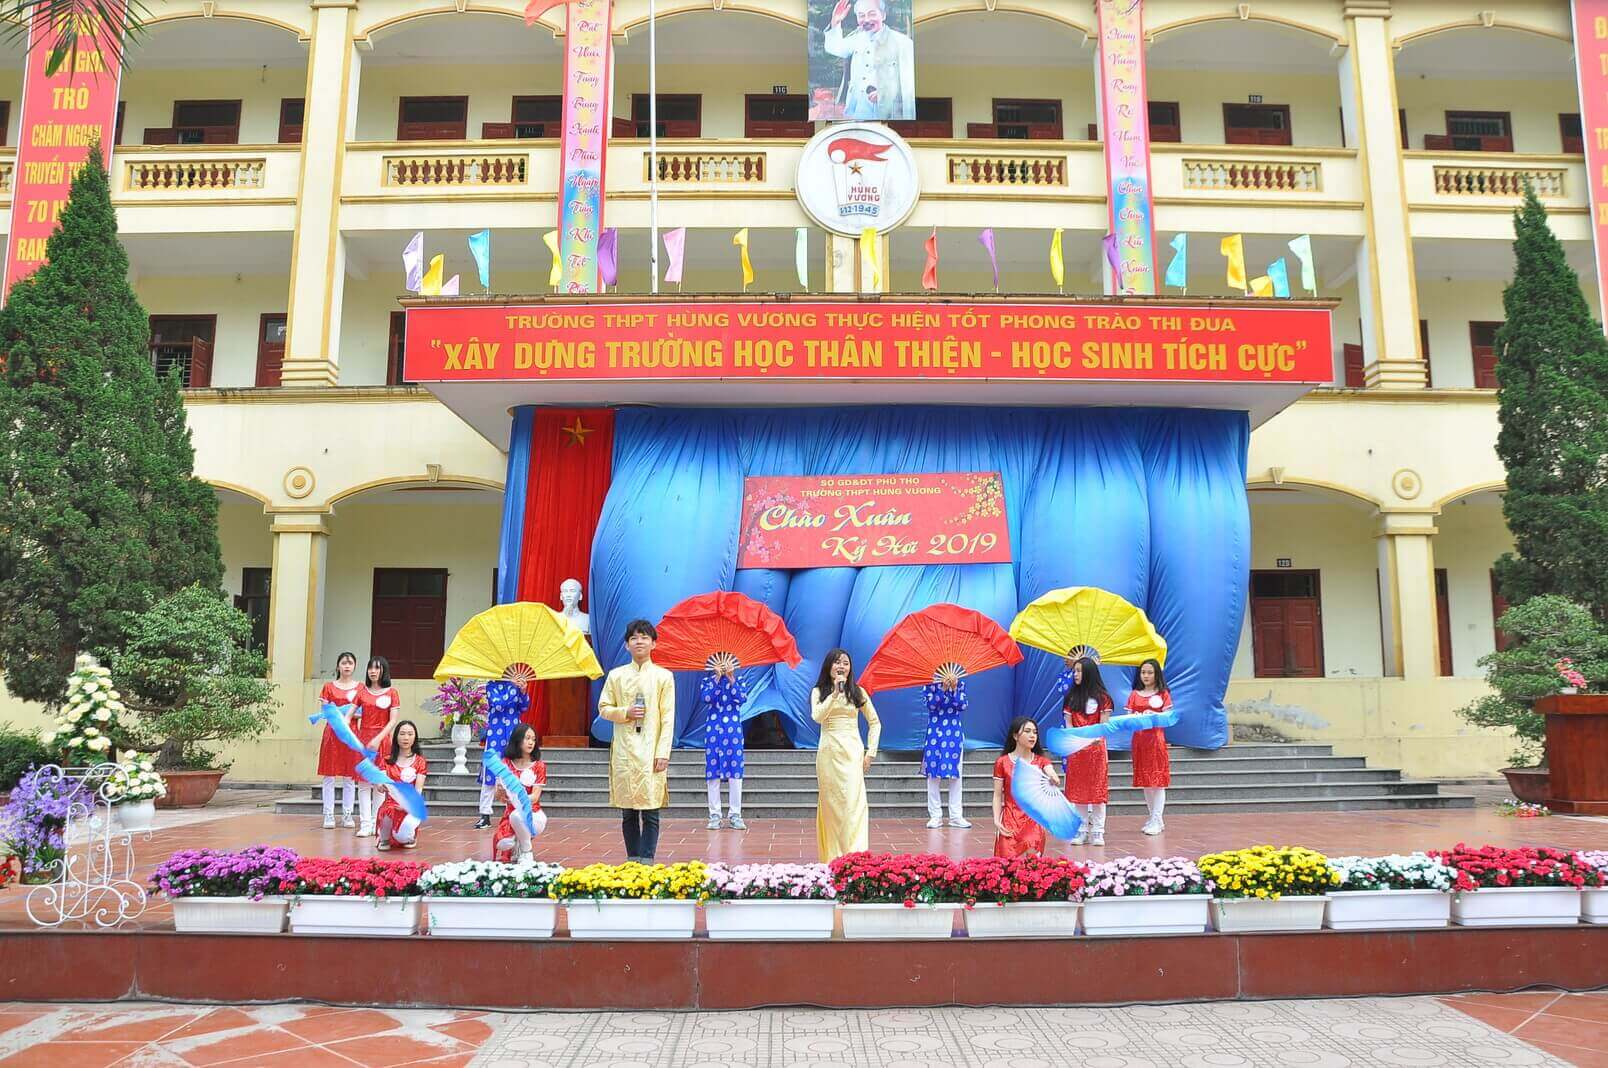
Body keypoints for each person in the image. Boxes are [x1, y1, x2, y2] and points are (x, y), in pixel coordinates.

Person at [598, 619, 675, 863]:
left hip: (651, 750)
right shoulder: (616, 676)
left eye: (644, 637)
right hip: (624, 750)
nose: (639, 642)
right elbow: (603, 708)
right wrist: (625, 712)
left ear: (654, 643)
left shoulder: (663, 677)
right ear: (626, 645)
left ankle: (647, 858)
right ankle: (632, 858)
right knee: (628, 810)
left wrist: (663, 752)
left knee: (651, 809)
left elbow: (668, 718)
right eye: (634, 638)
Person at [812, 648, 881, 863]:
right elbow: (817, 717)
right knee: (831, 804)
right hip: (829, 753)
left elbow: (875, 722)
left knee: (854, 804)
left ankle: (855, 856)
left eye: (845, 663)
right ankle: (832, 857)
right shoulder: (818, 692)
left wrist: (871, 753)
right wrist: (834, 694)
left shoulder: (858, 692)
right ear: (829, 666)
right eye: (837, 662)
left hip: (852, 753)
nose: (841, 666)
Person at [823, 0, 915, 122]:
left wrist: (884, 94)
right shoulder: (857, 38)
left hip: (889, 114)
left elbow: (908, 87)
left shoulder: (902, 43)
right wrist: (835, 21)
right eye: (861, 15)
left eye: (872, 14)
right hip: (859, 111)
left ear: (883, 15)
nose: (866, 20)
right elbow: (834, 48)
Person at [1060, 655, 1112, 847]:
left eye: (1079, 671)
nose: (1075, 674)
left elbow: (1103, 726)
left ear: (1089, 673)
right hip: (1077, 751)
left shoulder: (1104, 698)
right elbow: (1069, 725)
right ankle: (1081, 830)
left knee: (1097, 792)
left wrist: (1093, 738)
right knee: (1078, 793)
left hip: (1096, 751)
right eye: (1075, 671)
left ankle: (1098, 831)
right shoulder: (1071, 698)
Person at [992, 716, 1059, 858]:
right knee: (1005, 864)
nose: (1032, 736)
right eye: (1027, 731)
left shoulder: (1041, 761)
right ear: (1015, 736)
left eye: (1035, 732)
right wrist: (997, 820)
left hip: (1033, 820)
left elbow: (1050, 772)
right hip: (1010, 819)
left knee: (1032, 865)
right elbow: (997, 795)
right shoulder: (1002, 762)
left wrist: (1053, 777)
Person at [353, 656, 401, 838]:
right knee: (363, 783)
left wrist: (379, 739)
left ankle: (376, 822)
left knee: (379, 784)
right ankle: (365, 824)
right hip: (364, 740)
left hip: (383, 741)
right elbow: (349, 715)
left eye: (377, 668)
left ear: (383, 671)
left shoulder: (392, 693)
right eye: (370, 668)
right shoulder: (361, 692)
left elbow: (393, 720)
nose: (373, 671)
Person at [315, 652, 361, 830]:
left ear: (355, 666)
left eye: (350, 663)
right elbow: (325, 712)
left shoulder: (360, 688)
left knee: (349, 776)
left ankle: (347, 814)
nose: (347, 666)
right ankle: (328, 814)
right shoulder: (328, 687)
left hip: (351, 734)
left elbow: (361, 713)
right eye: (344, 663)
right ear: (338, 666)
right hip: (332, 734)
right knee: (329, 775)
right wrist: (342, 712)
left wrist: (340, 711)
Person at [1128, 657, 1174, 836]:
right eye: (1143, 672)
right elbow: (1128, 720)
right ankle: (1154, 817)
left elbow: (1169, 718)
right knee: (1146, 782)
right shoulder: (1134, 695)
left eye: (1150, 672)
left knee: (1158, 782)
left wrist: (1153, 717)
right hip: (1139, 742)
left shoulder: (1163, 694)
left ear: (1156, 674)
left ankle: (1156, 818)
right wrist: (1136, 719)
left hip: (1155, 741)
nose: (1146, 676)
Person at [701, 657, 747, 831]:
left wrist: (731, 677)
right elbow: (706, 698)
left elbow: (742, 698)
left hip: (733, 731)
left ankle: (735, 814)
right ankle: (715, 815)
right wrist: (717, 678)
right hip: (713, 731)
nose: (722, 665)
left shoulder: (739, 679)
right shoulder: (707, 681)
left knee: (735, 773)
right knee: (713, 773)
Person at [477, 680, 530, 829]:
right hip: (495, 734)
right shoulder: (491, 686)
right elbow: (498, 704)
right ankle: (485, 815)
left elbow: (524, 707)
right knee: (490, 774)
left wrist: (523, 692)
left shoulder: (516, 686)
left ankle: (515, 812)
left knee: (514, 772)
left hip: (513, 733)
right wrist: (513, 688)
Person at [921, 666, 969, 829]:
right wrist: (942, 689)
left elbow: (962, 705)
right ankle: (935, 816)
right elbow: (931, 705)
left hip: (954, 734)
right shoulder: (929, 684)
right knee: (933, 776)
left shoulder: (960, 684)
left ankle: (956, 816)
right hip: (935, 733)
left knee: (956, 776)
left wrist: (954, 689)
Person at [492, 723, 548, 863]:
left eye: (533, 739)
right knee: (503, 843)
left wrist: (517, 799)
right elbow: (498, 797)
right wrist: (500, 792)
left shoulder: (539, 766)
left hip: (533, 814)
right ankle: (516, 842)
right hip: (509, 814)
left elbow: (535, 797)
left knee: (517, 815)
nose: (531, 742)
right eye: (527, 738)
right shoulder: (505, 764)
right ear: (517, 739)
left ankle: (526, 850)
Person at [375, 720, 426, 851]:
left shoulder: (420, 762)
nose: (406, 738)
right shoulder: (386, 760)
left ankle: (409, 836)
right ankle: (384, 838)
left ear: (415, 737)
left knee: (403, 838)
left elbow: (418, 790)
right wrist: (380, 786)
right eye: (402, 734)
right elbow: (380, 783)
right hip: (391, 804)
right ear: (396, 737)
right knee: (387, 811)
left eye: (410, 734)